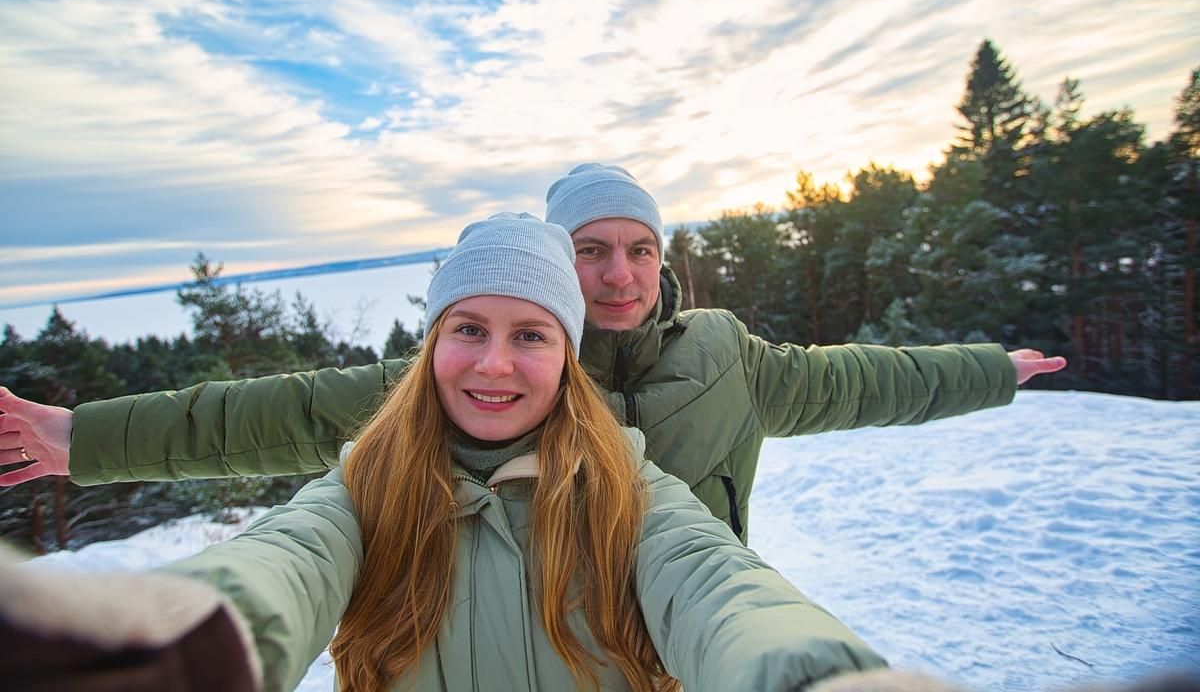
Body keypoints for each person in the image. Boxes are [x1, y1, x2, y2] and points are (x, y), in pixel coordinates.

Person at [3, 213, 894, 692]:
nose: (495, 363)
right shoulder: (368, 480)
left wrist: (811, 676)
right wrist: (177, 645)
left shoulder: (628, 483)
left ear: (566, 354)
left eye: (533, 337)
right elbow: (281, 559)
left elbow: (719, 588)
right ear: (431, 341)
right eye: (467, 328)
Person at [0, 163, 1065, 544]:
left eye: (640, 250)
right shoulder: (492, 368)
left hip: (691, 649)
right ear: (560, 256)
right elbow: (261, 414)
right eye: (592, 250)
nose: (619, 273)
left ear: (664, 261)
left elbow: (868, 378)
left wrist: (990, 369)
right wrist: (78, 434)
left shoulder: (732, 356)